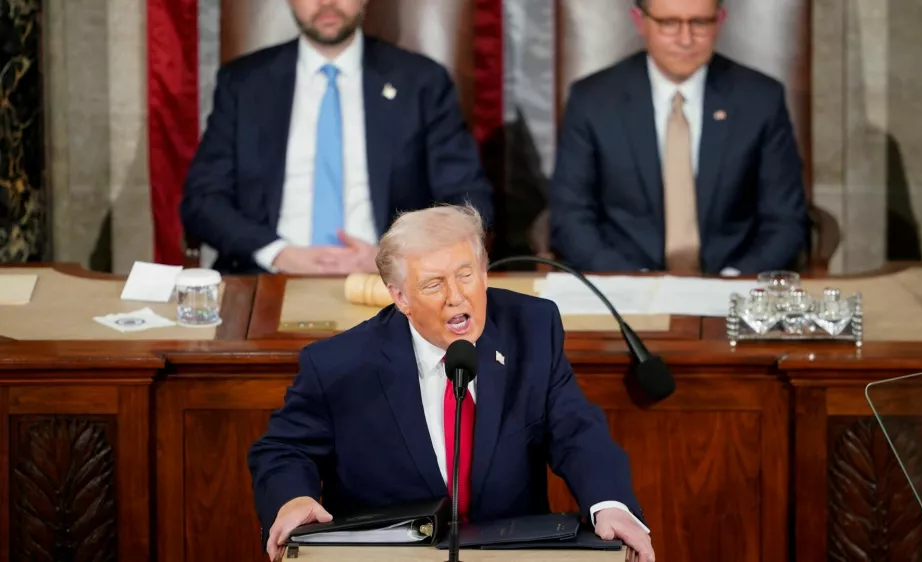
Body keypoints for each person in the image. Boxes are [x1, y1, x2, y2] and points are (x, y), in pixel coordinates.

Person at [248, 204, 655, 561]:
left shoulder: (531, 329)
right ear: (400, 297)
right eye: (433, 284)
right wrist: (293, 499)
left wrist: (611, 504)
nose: (456, 297)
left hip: (509, 554)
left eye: (466, 275)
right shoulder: (339, 363)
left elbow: (577, 431)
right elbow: (283, 449)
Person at [180, 0, 493, 275]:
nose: (326, 2)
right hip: (266, 276)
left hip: (391, 282)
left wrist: (398, 258)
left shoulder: (422, 82)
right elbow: (203, 199)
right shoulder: (244, 84)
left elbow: (467, 199)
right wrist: (278, 253)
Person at [549, 0, 809, 275]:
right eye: (669, 23)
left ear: (719, 21)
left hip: (732, 284)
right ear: (640, 21)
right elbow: (571, 217)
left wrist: (735, 280)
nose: (686, 40)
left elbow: (785, 220)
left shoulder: (760, 98)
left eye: (699, 23)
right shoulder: (592, 100)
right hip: (625, 285)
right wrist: (630, 280)